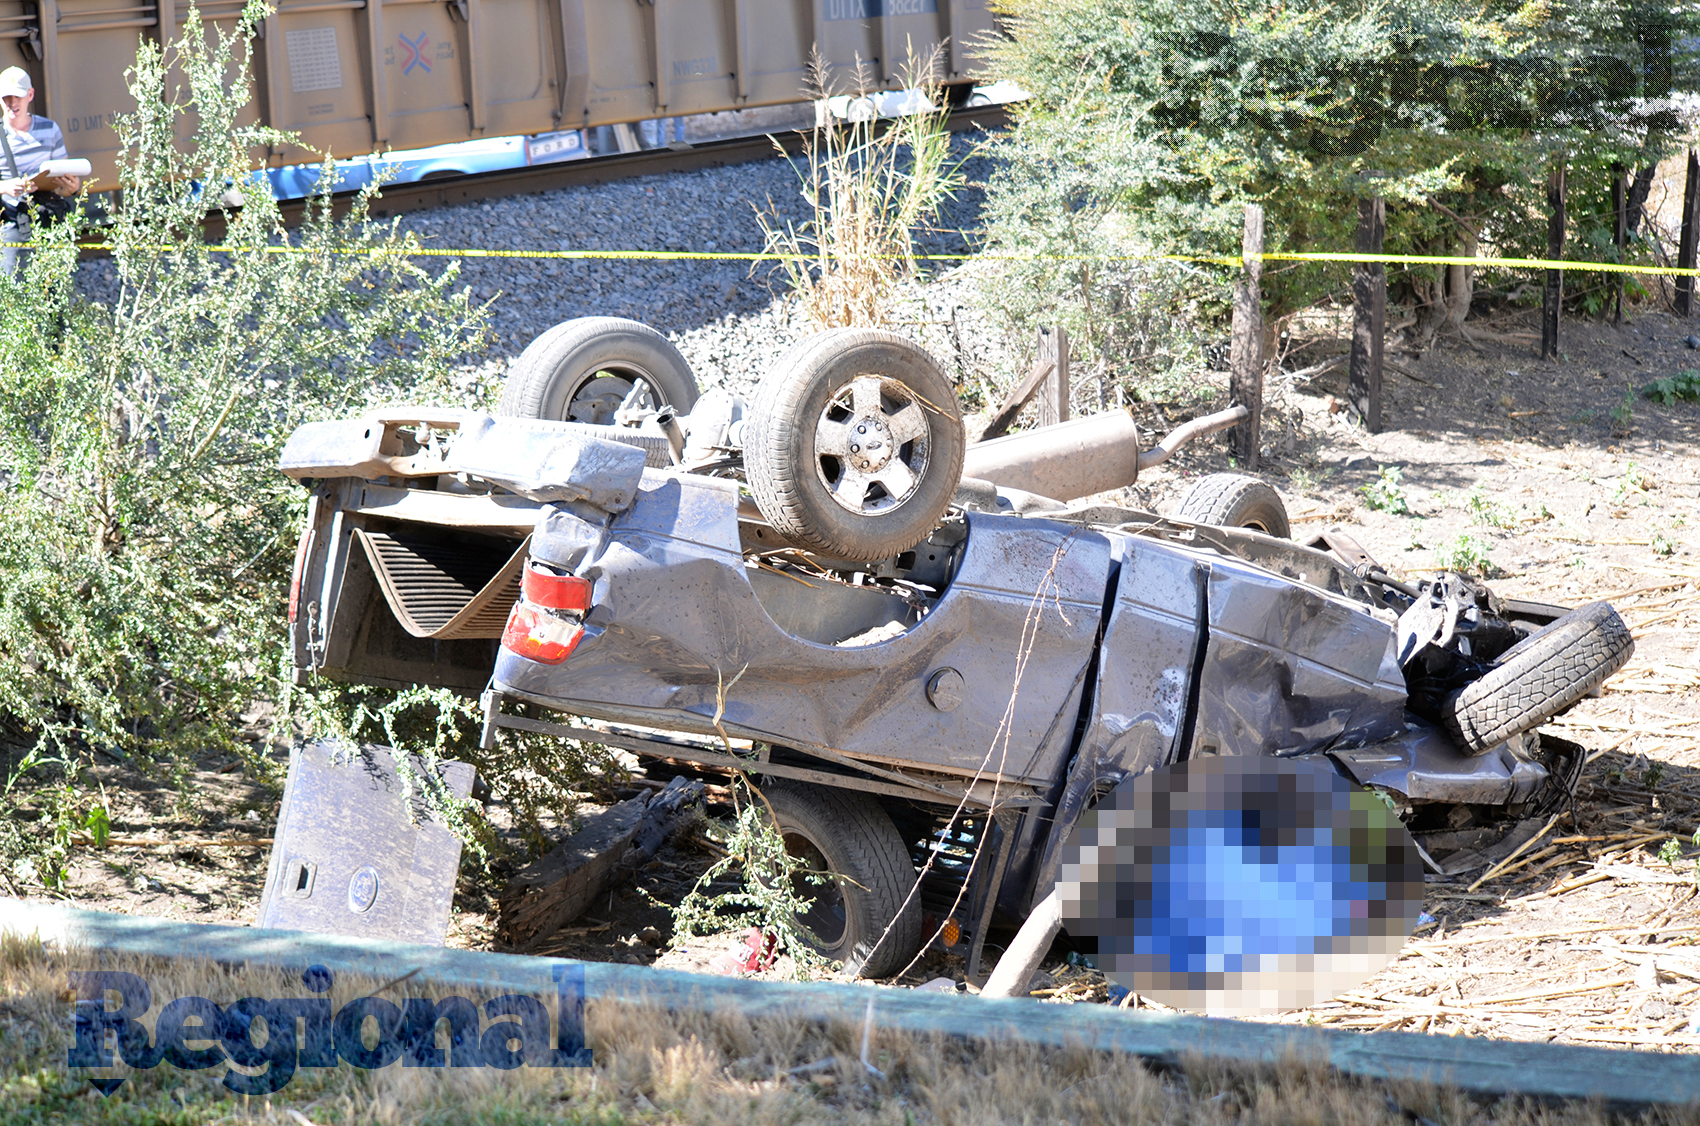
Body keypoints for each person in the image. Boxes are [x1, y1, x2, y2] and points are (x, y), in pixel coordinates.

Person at [0, 66, 81, 278]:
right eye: (6, 97)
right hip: (12, 220)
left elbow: (63, 170)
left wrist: (74, 188)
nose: (12, 103)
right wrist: (6, 187)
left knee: (54, 291)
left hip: (49, 216)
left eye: (17, 96)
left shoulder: (50, 129)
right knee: (14, 289)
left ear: (30, 95)